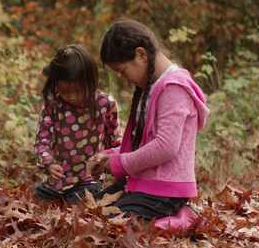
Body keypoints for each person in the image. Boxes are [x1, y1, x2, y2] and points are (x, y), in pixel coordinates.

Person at [87, 19, 210, 221]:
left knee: (113, 223)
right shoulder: (151, 87)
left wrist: (119, 163)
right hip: (144, 184)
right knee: (92, 210)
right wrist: (109, 156)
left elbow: (165, 146)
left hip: (165, 191)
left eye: (122, 70)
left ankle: (180, 220)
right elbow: (145, 144)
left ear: (141, 55)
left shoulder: (173, 88)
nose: (123, 78)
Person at [34, 44, 121, 203]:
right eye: (66, 92)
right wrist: (49, 163)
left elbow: (115, 141)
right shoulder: (53, 105)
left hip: (88, 181)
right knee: (37, 198)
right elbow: (42, 141)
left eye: (79, 91)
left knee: (81, 203)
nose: (72, 97)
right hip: (58, 182)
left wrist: (109, 163)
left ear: (91, 82)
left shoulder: (105, 104)